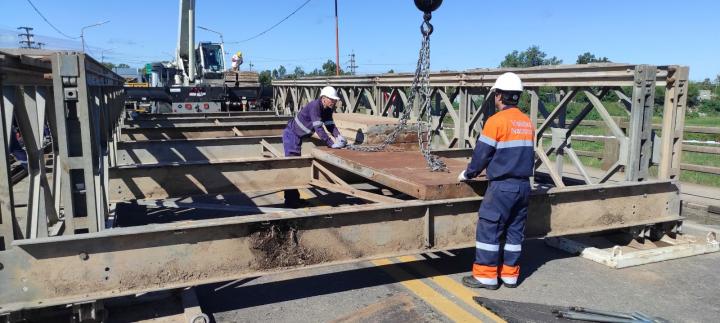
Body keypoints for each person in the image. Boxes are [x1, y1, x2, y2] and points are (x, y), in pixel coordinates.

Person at [458, 72, 534, 290]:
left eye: (496, 94)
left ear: (499, 96)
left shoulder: (496, 121)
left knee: (489, 229)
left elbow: (482, 155)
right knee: (514, 231)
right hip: (523, 186)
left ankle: (486, 276)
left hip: (502, 187)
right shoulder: (526, 122)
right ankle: (510, 276)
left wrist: (468, 174)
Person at [282, 86, 346, 207]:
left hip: (298, 136)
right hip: (292, 135)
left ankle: (293, 199)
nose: (334, 102)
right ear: (324, 98)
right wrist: (331, 143)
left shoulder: (327, 109)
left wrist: (338, 136)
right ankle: (291, 201)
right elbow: (319, 128)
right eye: (332, 99)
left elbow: (330, 124)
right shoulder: (314, 106)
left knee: (295, 167)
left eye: (335, 100)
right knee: (293, 167)